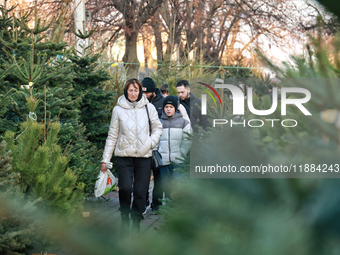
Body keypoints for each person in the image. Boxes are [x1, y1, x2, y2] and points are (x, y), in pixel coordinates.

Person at [101, 78, 162, 235]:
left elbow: (158, 128)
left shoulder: (149, 108)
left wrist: (150, 143)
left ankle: (136, 219)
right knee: (126, 188)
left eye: (136, 90)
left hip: (144, 157)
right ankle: (124, 216)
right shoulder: (118, 110)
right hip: (124, 156)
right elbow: (112, 135)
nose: (133, 93)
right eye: (130, 90)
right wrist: (105, 160)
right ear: (126, 91)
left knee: (141, 191)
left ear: (140, 91)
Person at [157, 95, 191, 198]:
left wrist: (181, 153)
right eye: (166, 106)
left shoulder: (183, 123)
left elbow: (188, 140)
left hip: (178, 161)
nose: (168, 109)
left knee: (178, 185)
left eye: (171, 107)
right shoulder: (158, 123)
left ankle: (178, 209)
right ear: (163, 108)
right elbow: (155, 139)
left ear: (175, 108)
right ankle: (167, 209)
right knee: (166, 186)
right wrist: (158, 153)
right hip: (164, 161)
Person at [141, 77, 165, 213]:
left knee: (159, 177)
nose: (144, 96)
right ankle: (143, 201)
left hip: (158, 147)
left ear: (153, 92)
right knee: (142, 177)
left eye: (146, 93)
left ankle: (157, 204)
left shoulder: (163, 102)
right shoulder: (140, 103)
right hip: (143, 146)